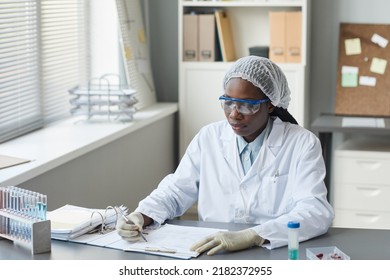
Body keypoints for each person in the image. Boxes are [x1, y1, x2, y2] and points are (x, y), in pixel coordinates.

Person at [116, 55, 334, 255]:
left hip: (273, 249)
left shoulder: (301, 143)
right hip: (213, 251)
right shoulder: (209, 137)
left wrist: (254, 235)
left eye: (247, 106)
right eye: (228, 102)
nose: (234, 114)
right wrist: (142, 215)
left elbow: (315, 210)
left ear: (270, 105)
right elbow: (176, 190)